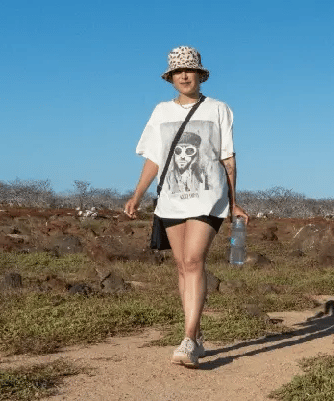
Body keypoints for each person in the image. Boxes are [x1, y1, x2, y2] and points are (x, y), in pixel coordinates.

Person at [124, 46, 249, 368]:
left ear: (200, 75)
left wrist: (235, 203)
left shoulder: (219, 109)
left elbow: (228, 158)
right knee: (182, 266)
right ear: (170, 78)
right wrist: (137, 195)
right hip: (170, 199)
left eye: (189, 70)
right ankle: (196, 334)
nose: (184, 76)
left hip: (210, 197)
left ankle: (189, 338)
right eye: (178, 72)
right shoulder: (161, 112)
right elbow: (154, 158)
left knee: (194, 261)